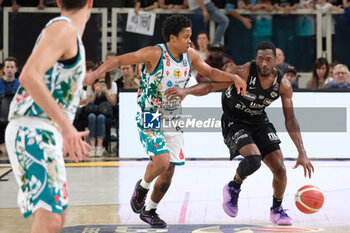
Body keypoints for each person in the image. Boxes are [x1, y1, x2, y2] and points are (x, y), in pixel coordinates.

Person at [89, 14, 246, 228]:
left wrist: (234, 77)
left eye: (190, 37)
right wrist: (94, 75)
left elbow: (210, 72)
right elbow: (117, 60)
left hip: (173, 117)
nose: (190, 41)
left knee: (169, 171)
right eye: (186, 37)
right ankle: (142, 188)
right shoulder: (155, 54)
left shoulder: (190, 56)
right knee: (161, 162)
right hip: (151, 113)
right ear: (172, 38)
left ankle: (150, 210)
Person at [165, 41, 314, 226]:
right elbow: (210, 85)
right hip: (234, 121)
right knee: (253, 160)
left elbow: (290, 119)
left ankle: (277, 210)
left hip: (258, 121)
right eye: (261, 59)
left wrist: (302, 152)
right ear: (256, 59)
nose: (265, 64)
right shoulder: (243, 72)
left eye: (269, 59)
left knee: (281, 169)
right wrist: (186, 91)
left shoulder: (283, 84)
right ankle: (233, 187)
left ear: (276, 60)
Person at [5, 1, 92, 233]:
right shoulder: (63, 29)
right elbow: (29, 75)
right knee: (51, 218)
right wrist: (66, 127)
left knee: (58, 216)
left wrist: (60, 130)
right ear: (91, 3)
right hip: (31, 128)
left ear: (58, 2)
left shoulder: (69, 34)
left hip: (45, 129)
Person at [86, 71, 117, 156]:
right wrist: (95, 93)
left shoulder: (113, 85)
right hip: (93, 111)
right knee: (91, 117)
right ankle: (92, 146)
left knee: (101, 118)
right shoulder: (91, 85)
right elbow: (88, 103)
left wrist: (106, 91)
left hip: (106, 112)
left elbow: (113, 102)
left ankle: (100, 146)